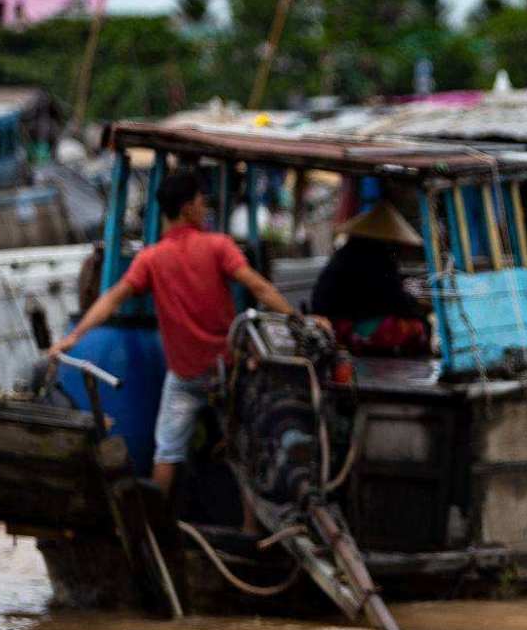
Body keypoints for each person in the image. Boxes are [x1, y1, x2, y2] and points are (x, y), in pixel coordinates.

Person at [51, 169, 326, 493]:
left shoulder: (151, 258)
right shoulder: (218, 246)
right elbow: (259, 287)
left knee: (167, 452)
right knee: (245, 452)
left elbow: (111, 298)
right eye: (200, 202)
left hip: (183, 376)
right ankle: (252, 531)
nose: (205, 208)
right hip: (226, 374)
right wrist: (299, 319)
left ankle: (156, 526)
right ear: (186, 209)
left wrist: (73, 336)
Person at [310, 201, 432, 358]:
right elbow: (392, 298)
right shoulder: (375, 259)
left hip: (335, 320)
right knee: (419, 326)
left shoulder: (346, 254)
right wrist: (418, 309)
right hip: (345, 326)